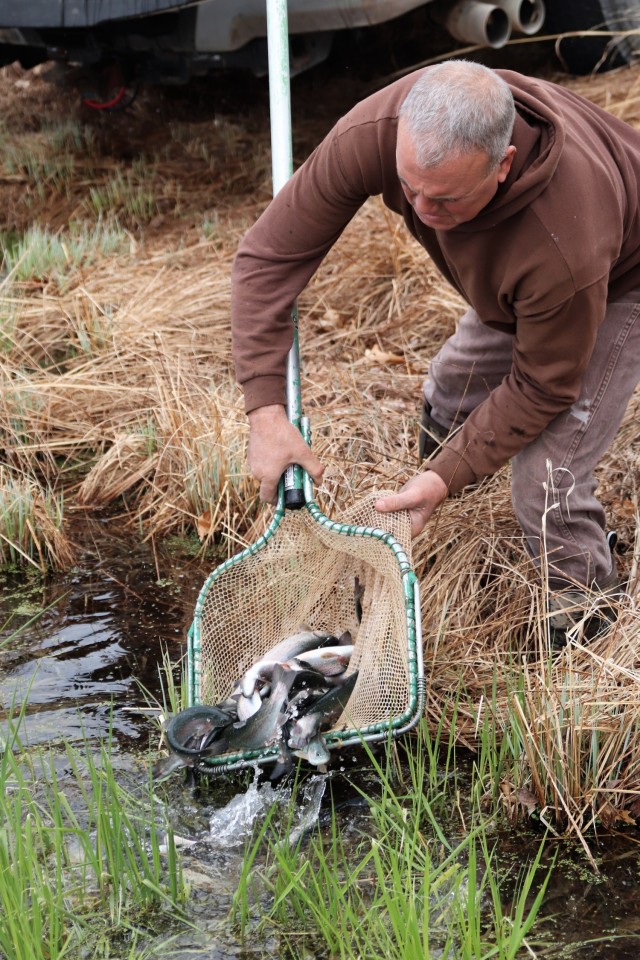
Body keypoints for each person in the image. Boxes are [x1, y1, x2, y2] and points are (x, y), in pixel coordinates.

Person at [231, 59, 640, 642]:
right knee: (451, 387)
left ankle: (585, 625)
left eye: (444, 201)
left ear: (503, 166)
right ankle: (437, 524)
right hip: (522, 281)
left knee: (547, 480)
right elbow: (267, 258)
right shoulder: (383, 128)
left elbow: (544, 384)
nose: (422, 213)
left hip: (623, 273)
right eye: (409, 189)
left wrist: (447, 475)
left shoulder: (561, 246)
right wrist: (265, 410)